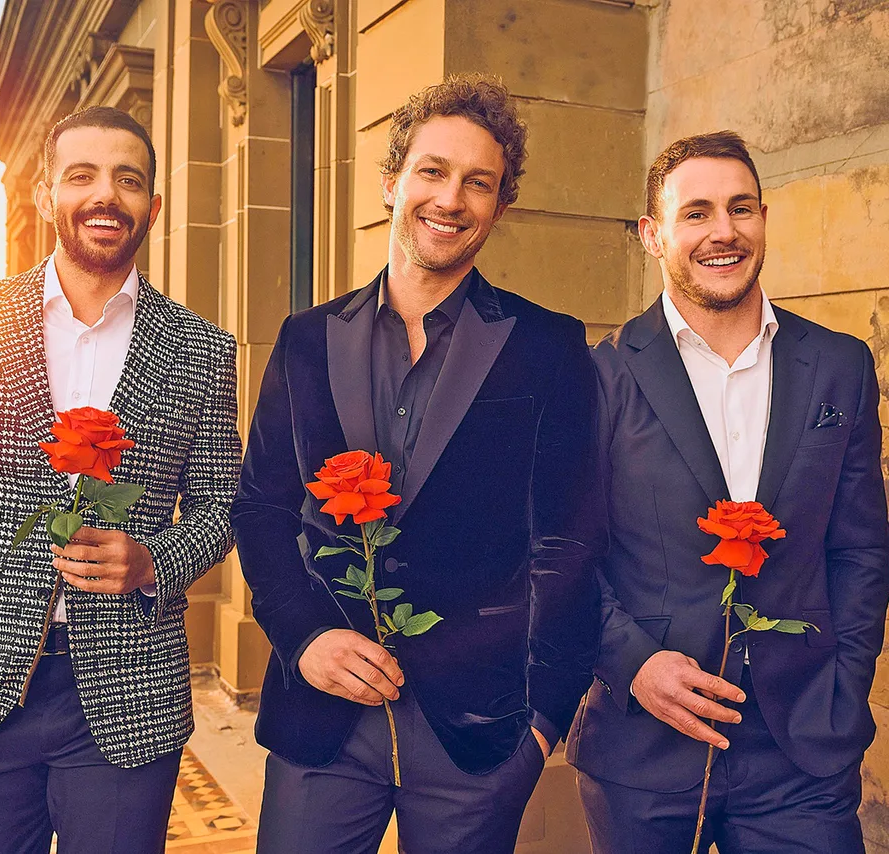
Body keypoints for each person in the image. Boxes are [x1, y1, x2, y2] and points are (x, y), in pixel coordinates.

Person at [231, 75, 604, 854]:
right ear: (392, 181)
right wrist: (301, 639)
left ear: (500, 207)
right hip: (322, 719)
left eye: (479, 183)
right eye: (433, 171)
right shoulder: (303, 338)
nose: (451, 198)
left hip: (479, 733)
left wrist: (542, 725)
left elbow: (569, 545)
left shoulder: (550, 347)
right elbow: (262, 508)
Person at [0, 105, 241, 854]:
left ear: (152, 206)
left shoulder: (202, 348)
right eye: (83, 176)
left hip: (127, 696)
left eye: (128, 180)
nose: (106, 195)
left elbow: (222, 504)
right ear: (47, 195)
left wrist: (152, 560)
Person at [566, 130, 889, 853]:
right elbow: (560, 554)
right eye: (697, 213)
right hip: (642, 750)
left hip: (801, 751)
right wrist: (632, 664)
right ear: (653, 235)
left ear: (764, 220)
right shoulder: (599, 376)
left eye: (741, 209)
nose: (724, 232)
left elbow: (860, 544)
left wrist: (844, 680)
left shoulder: (838, 365)